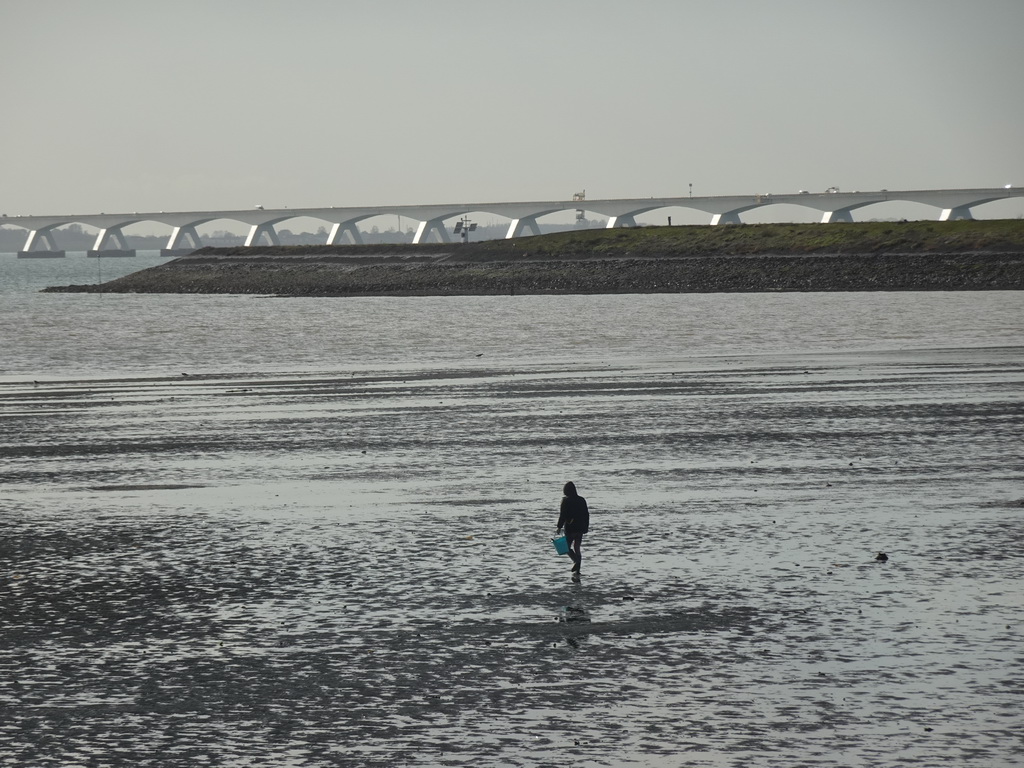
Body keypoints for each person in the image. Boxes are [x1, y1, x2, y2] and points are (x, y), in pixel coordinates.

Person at [556, 481, 589, 574]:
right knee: (577, 547)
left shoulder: (565, 501)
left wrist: (559, 527)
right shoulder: (582, 500)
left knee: (565, 547)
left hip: (571, 528)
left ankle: (576, 561)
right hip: (580, 527)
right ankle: (577, 570)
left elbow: (562, 515)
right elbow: (586, 515)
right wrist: (586, 527)